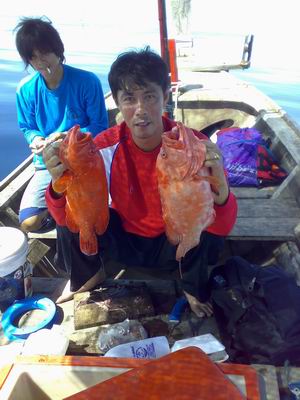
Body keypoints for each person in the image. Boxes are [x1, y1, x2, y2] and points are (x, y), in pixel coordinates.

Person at [43, 47, 237, 317]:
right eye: (130, 99)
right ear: (119, 104)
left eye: (150, 97)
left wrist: (223, 190)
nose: (141, 110)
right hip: (122, 240)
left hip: (174, 243)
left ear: (165, 97)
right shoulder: (101, 149)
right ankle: (88, 275)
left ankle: (192, 285)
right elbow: (64, 218)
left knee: (204, 222)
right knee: (71, 213)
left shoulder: (195, 147)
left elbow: (224, 224)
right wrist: (56, 184)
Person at [14, 17, 108, 233]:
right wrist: (36, 139)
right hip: (49, 163)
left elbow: (100, 126)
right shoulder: (25, 89)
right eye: (32, 57)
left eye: (44, 52)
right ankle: (61, 215)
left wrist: (67, 137)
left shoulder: (87, 81)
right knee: (29, 223)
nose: (40, 62)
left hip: (86, 162)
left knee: (100, 215)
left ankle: (72, 218)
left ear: (57, 50)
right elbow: (27, 127)